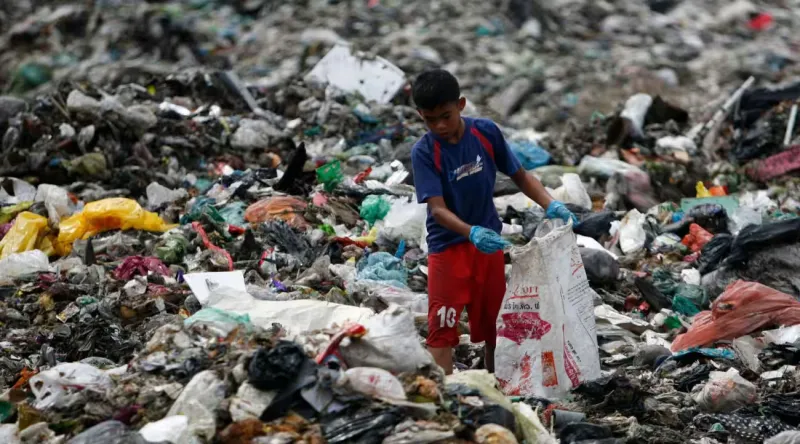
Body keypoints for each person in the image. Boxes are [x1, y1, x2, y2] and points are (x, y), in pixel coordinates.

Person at [410, 69, 578, 375]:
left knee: (495, 329)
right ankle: (446, 395)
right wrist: (471, 232)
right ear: (420, 115)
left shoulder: (485, 133)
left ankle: (497, 387)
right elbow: (437, 209)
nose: (440, 126)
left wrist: (550, 203)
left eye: (446, 116)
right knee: (442, 330)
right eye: (430, 120)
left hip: (488, 249)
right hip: (448, 250)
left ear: (461, 104)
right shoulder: (424, 151)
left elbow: (520, 175)